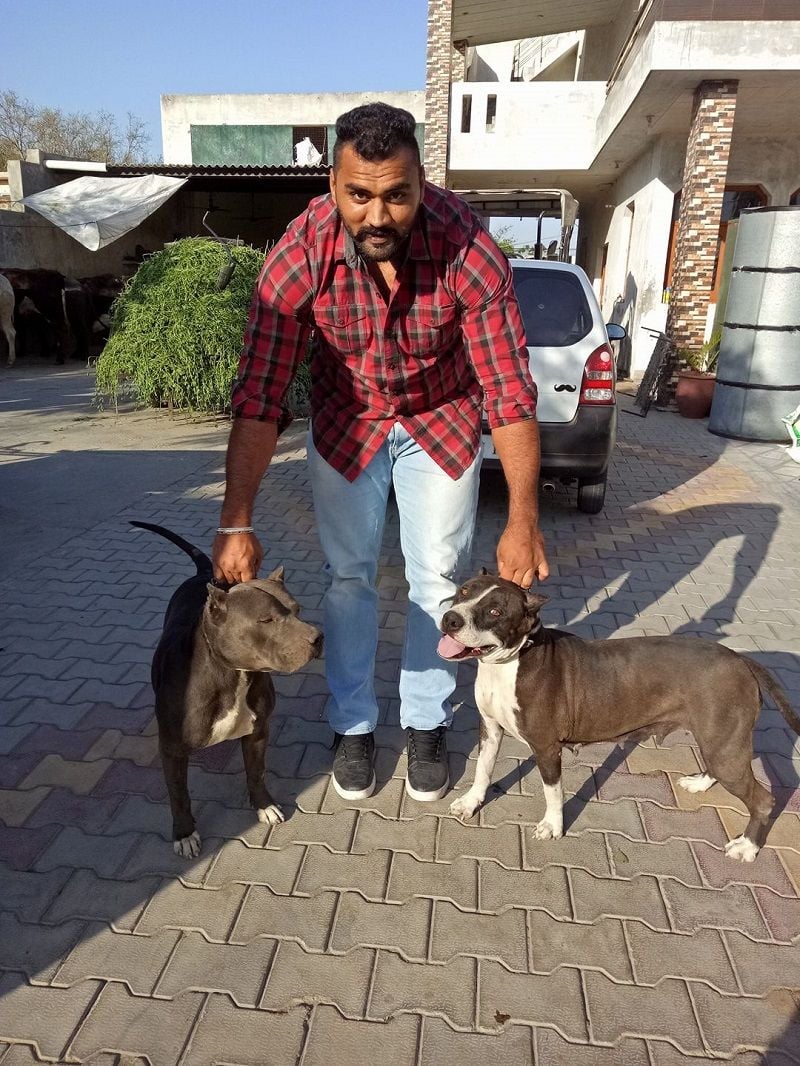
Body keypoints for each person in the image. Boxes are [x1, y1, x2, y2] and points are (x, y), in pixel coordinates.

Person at [213, 102, 548, 804]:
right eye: (358, 194)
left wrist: (523, 518)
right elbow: (260, 396)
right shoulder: (300, 254)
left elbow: (510, 393)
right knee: (348, 579)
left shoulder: (468, 248)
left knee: (437, 580)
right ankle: (354, 725)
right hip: (348, 424)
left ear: (421, 183)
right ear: (333, 182)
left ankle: (426, 720)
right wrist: (236, 520)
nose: (377, 216)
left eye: (396, 195)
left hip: (441, 420)